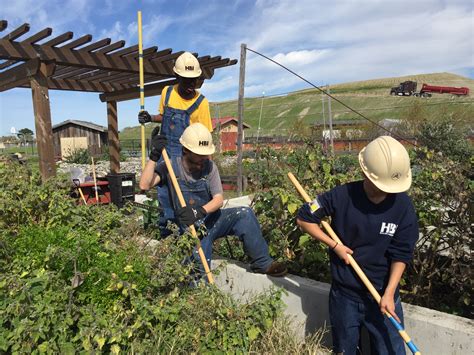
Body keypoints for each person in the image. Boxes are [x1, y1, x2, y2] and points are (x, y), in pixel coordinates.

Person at [296, 136, 418, 355]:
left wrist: (390, 292)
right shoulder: (341, 196)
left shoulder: (403, 206)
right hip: (345, 296)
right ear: (365, 173)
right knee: (345, 350)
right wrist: (334, 245)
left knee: (391, 351)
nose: (387, 192)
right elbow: (304, 218)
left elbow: (402, 253)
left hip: (384, 295)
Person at [140, 123, 287, 277]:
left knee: (245, 214)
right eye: (199, 154)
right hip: (187, 229)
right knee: (198, 255)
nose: (203, 158)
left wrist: (200, 211)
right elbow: (144, 184)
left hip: (208, 220)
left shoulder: (210, 167)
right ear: (186, 150)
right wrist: (154, 156)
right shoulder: (170, 167)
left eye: (205, 154)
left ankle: (263, 264)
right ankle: (198, 290)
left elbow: (218, 200)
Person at [137, 51, 212, 158]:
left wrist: (208, 167)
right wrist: (151, 117)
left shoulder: (201, 103)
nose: (191, 84)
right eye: (187, 80)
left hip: (186, 157)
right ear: (177, 77)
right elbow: (165, 118)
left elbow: (206, 138)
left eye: (194, 80)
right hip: (164, 154)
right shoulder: (167, 92)